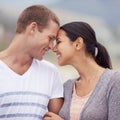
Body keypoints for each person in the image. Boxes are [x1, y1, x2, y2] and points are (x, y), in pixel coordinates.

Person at [43, 21, 120, 120]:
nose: (54, 48)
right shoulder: (67, 87)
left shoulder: (114, 82)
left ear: (78, 44)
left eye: (58, 42)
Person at [0, 5, 64, 120]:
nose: (51, 46)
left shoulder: (51, 72)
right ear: (33, 28)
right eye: (50, 38)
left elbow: (59, 117)